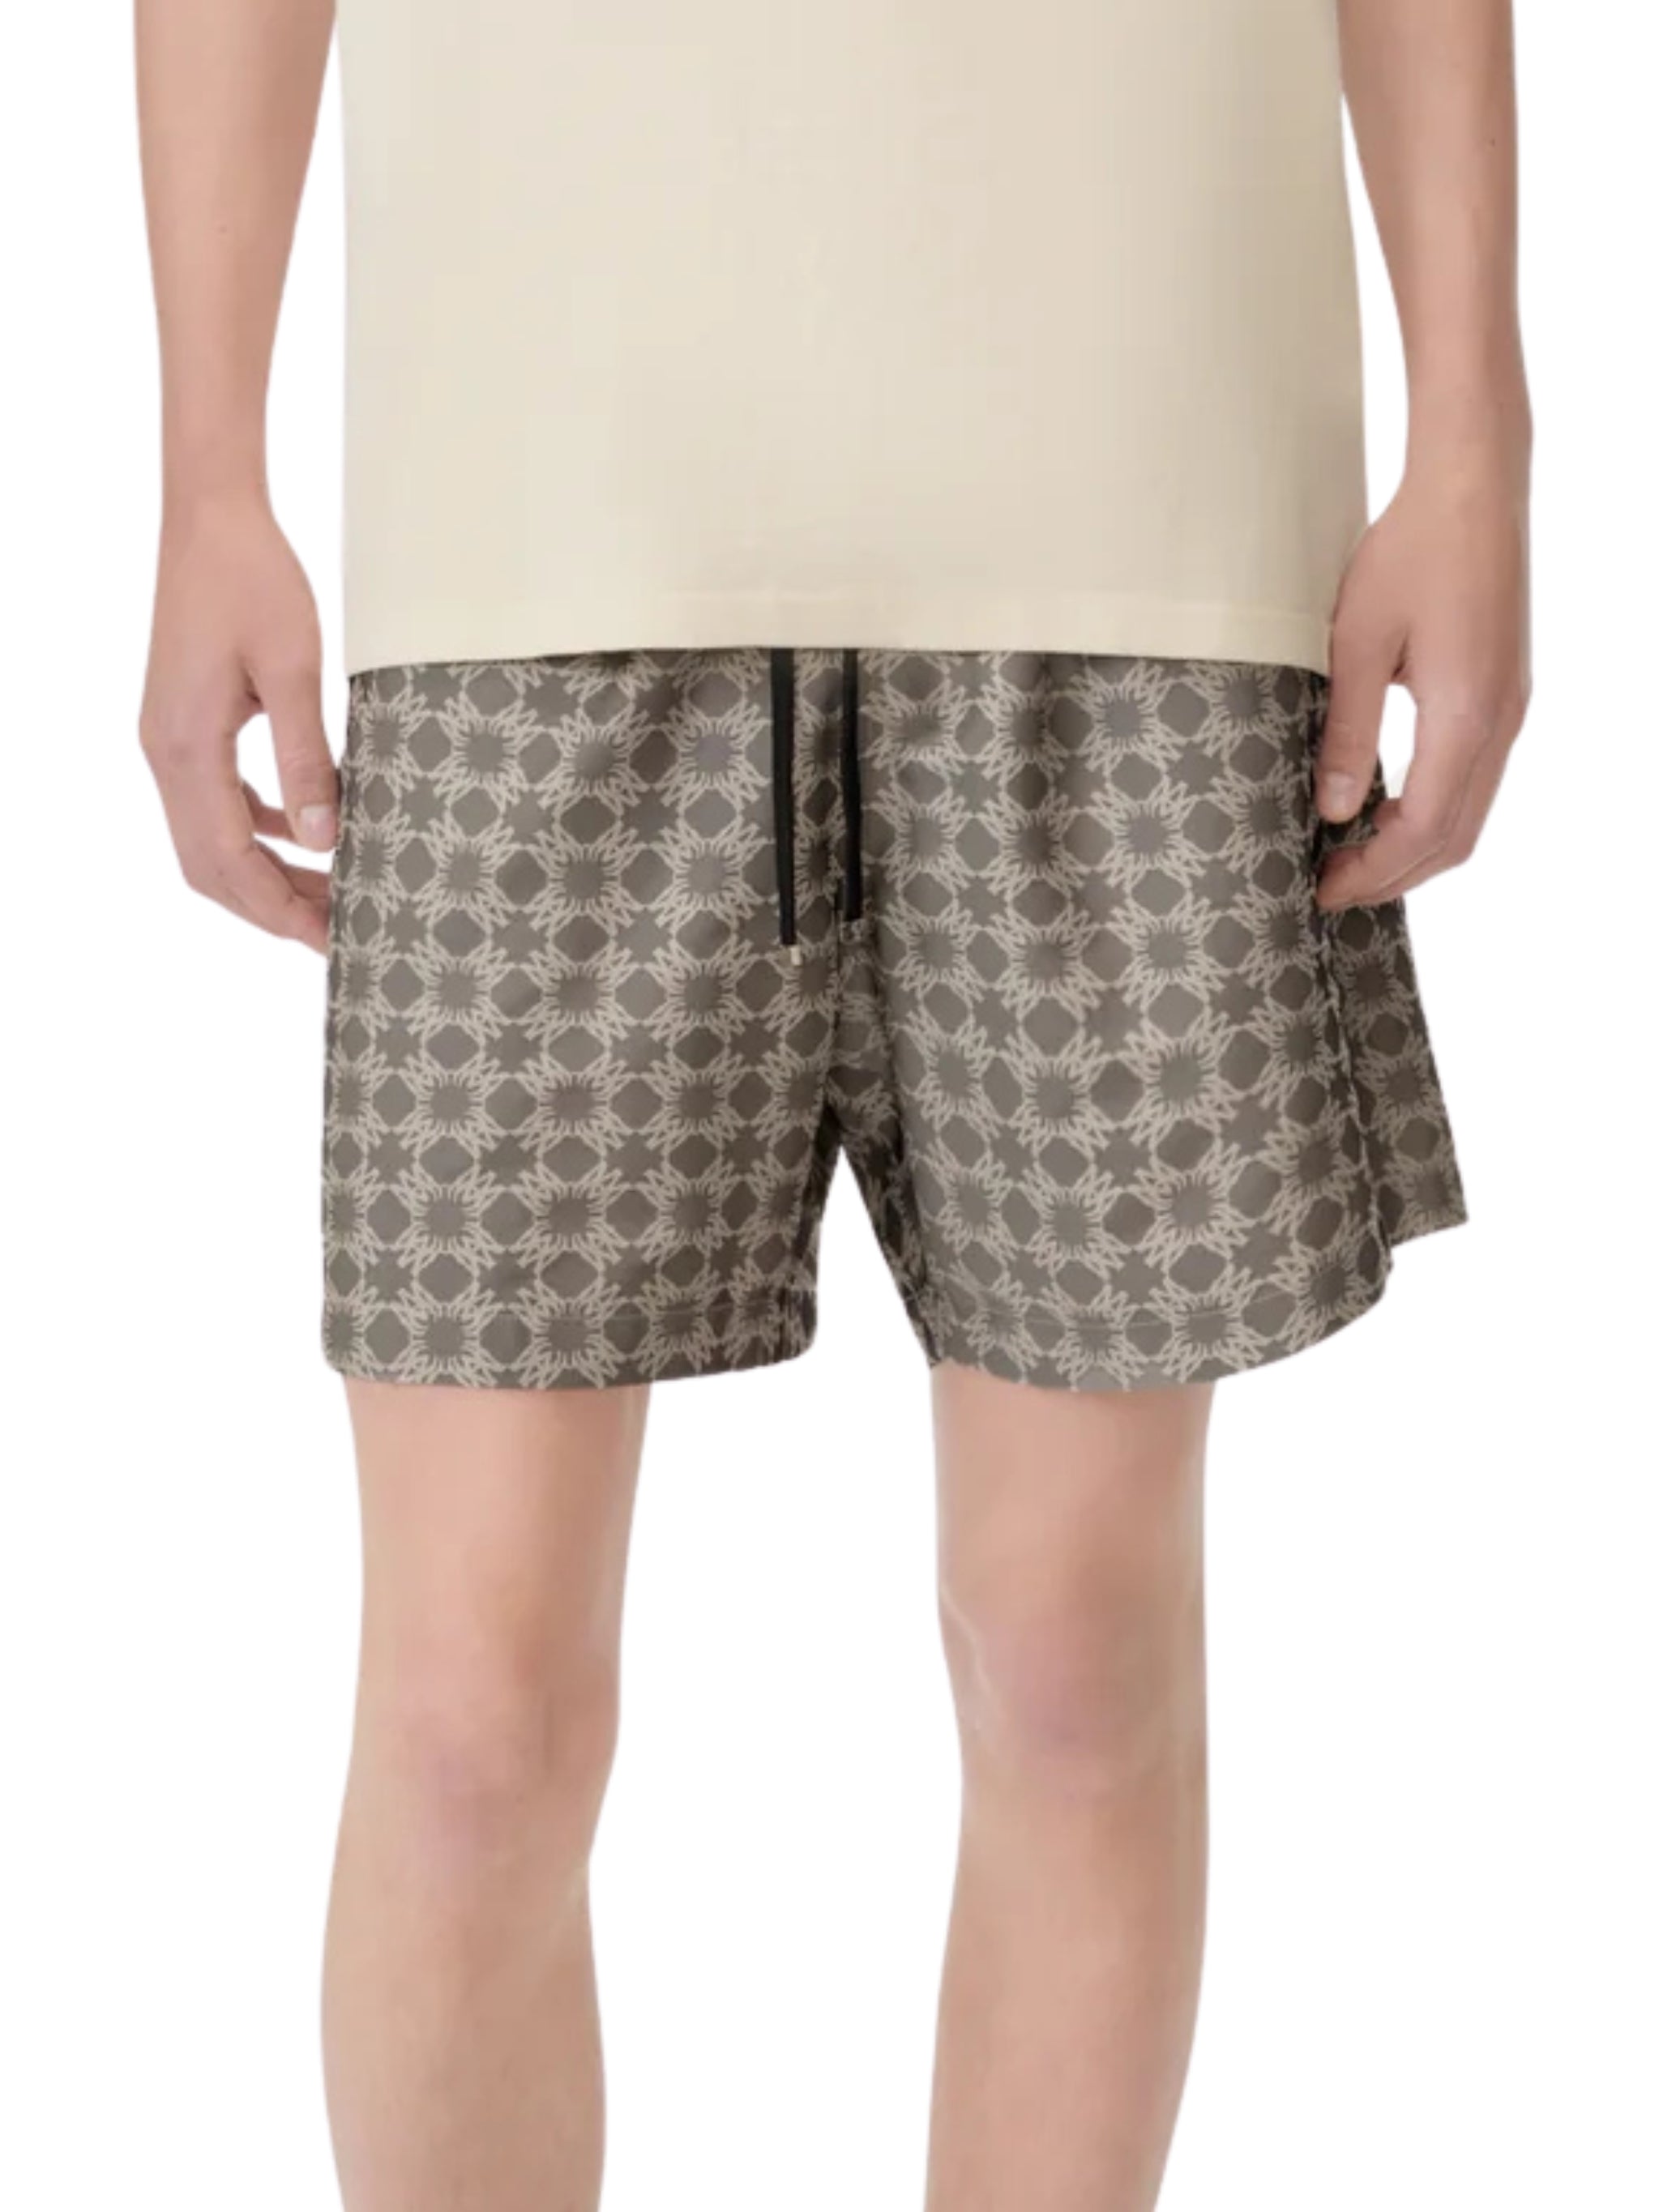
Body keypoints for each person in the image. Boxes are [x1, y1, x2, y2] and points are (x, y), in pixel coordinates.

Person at [135, 0, 1530, 2201]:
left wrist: (1478, 429)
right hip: (534, 500)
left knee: (1071, 1650)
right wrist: (209, 465)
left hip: (1136, 467)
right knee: (471, 1718)